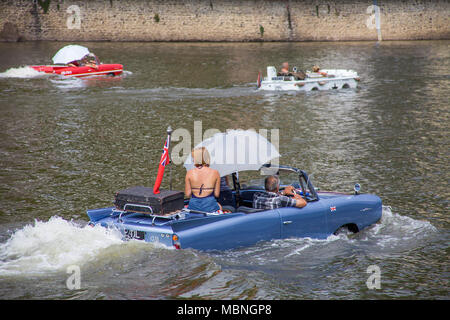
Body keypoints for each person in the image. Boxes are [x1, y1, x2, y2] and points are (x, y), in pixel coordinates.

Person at [185, 147, 222, 212]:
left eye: (193, 158)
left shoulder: (189, 173)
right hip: (210, 205)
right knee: (220, 207)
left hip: (194, 205)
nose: (193, 160)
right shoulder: (215, 172)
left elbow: (188, 194)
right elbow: (216, 194)